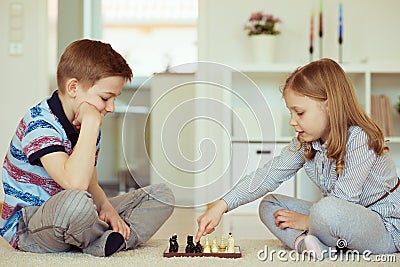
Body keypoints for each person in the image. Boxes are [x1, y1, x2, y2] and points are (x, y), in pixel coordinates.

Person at [195, 58, 399, 259]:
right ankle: (306, 245)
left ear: (329, 106)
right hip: (334, 220)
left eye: (299, 112)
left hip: (385, 229)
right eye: (291, 112)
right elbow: (268, 175)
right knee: (270, 204)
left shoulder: (359, 137)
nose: (292, 121)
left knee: (326, 209)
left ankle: (318, 236)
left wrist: (307, 221)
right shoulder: (306, 142)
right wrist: (221, 206)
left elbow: (343, 202)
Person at [0, 39, 174, 257]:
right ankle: (103, 239)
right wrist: (91, 123)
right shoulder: (40, 122)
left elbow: (90, 183)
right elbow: (75, 183)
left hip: (77, 215)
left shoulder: (89, 127)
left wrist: (106, 208)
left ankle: (100, 238)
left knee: (161, 195)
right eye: (105, 98)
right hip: (30, 227)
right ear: (73, 88)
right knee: (76, 203)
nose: (110, 108)